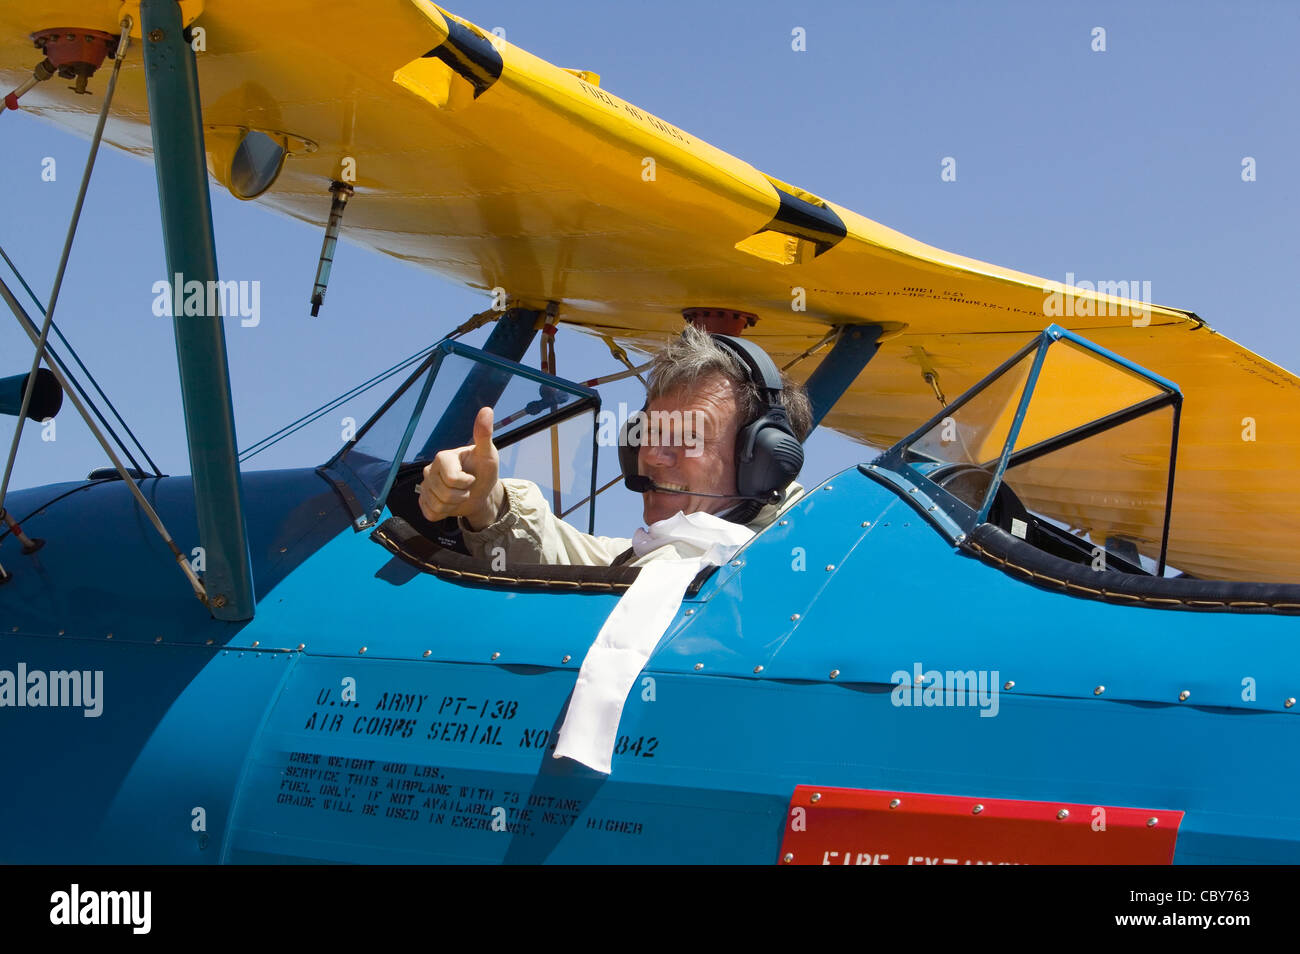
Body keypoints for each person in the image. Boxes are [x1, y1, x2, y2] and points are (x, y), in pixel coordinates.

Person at [416, 324, 813, 567]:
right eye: (651, 432)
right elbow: (571, 566)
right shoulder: (650, 559)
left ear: (762, 463)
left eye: (689, 437)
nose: (653, 455)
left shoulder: (741, 572)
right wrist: (485, 502)